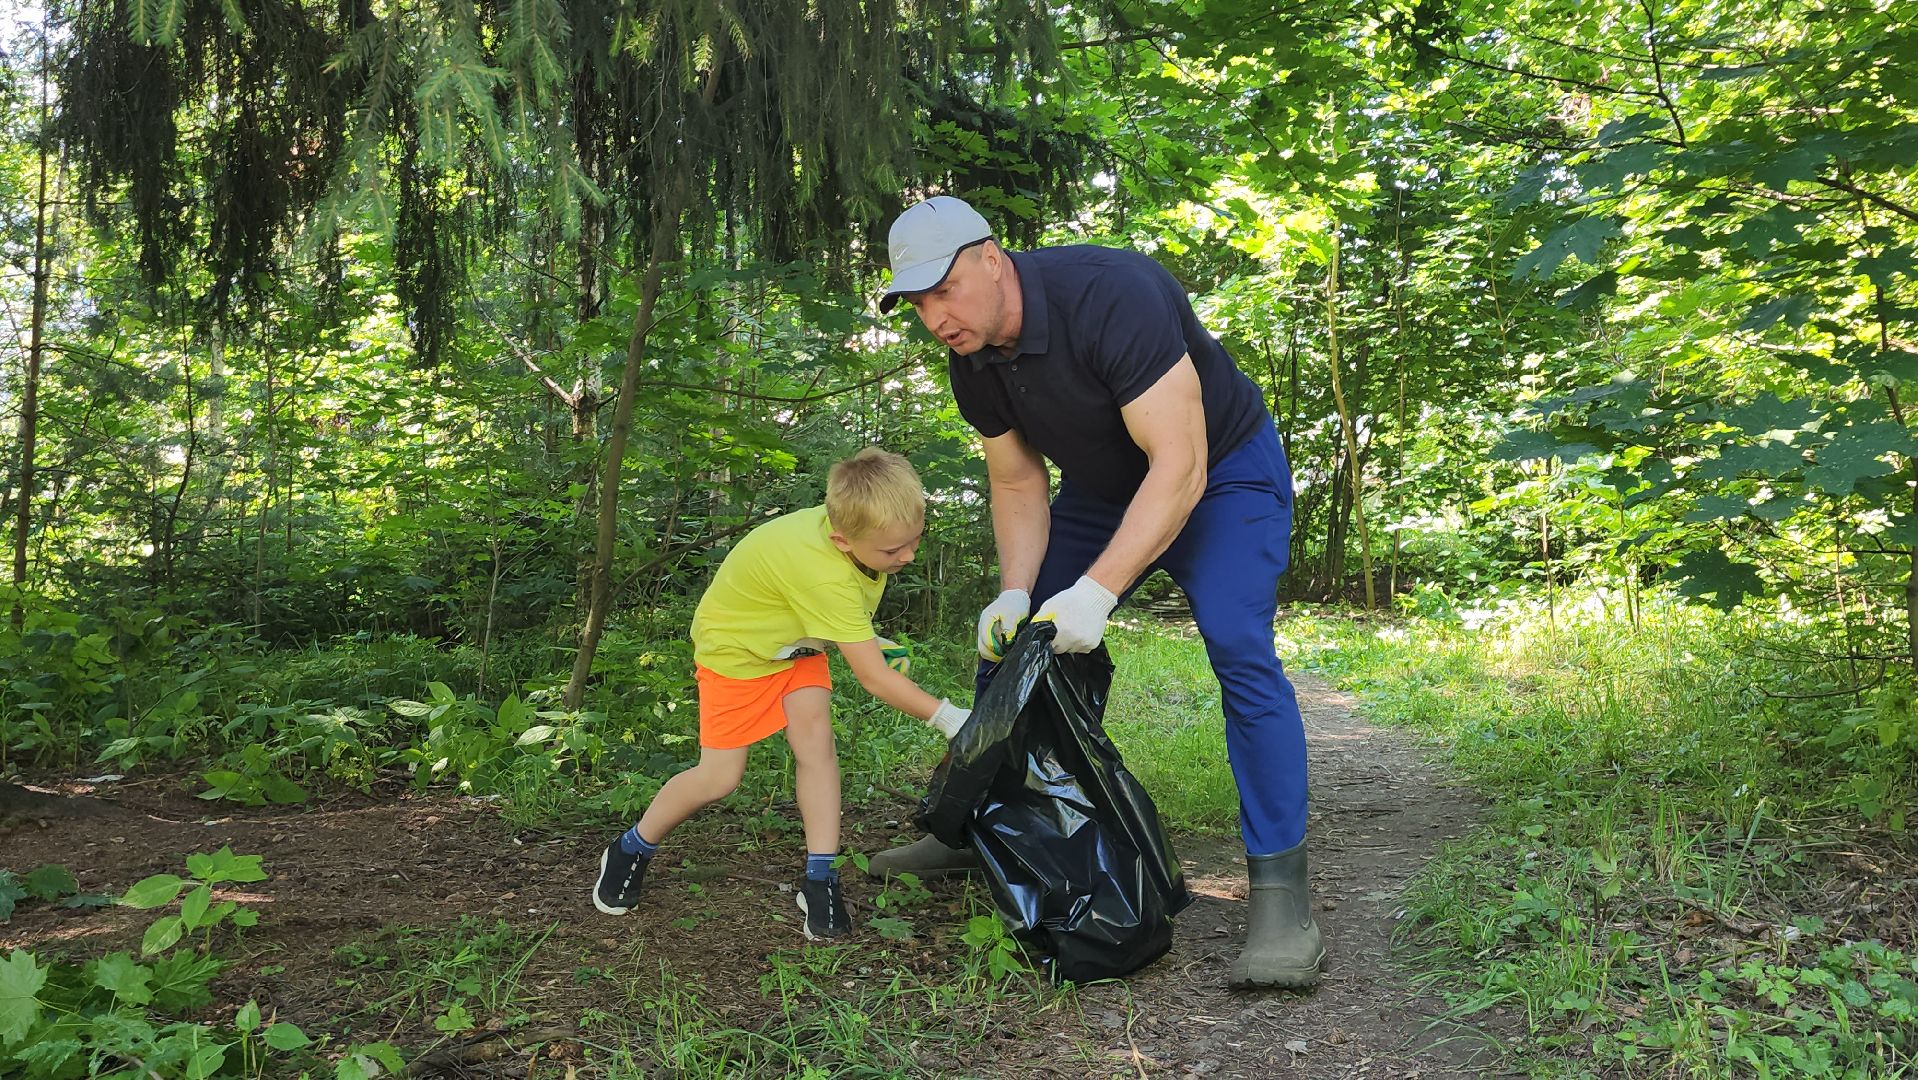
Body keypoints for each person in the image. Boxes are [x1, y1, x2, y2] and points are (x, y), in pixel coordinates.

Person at [866, 195, 1323, 989]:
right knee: (1014, 648)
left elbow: (1180, 466)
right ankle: (974, 822)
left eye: (944, 290)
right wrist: (1019, 592)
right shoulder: (971, 358)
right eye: (917, 304)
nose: (935, 317)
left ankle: (1282, 894)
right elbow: (1015, 481)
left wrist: (1099, 592)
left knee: (1238, 642)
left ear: (991, 257)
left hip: (1223, 475)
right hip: (1105, 490)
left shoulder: (1113, 294)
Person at [592, 448, 971, 940]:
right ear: (841, 539)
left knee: (817, 747)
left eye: (914, 541)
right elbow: (874, 678)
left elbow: (818, 604)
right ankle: (631, 847)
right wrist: (951, 718)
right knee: (719, 777)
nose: (908, 556)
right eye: (892, 551)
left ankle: (820, 878)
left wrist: (863, 637)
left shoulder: (855, 527)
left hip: (796, 648)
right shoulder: (824, 570)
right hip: (737, 654)